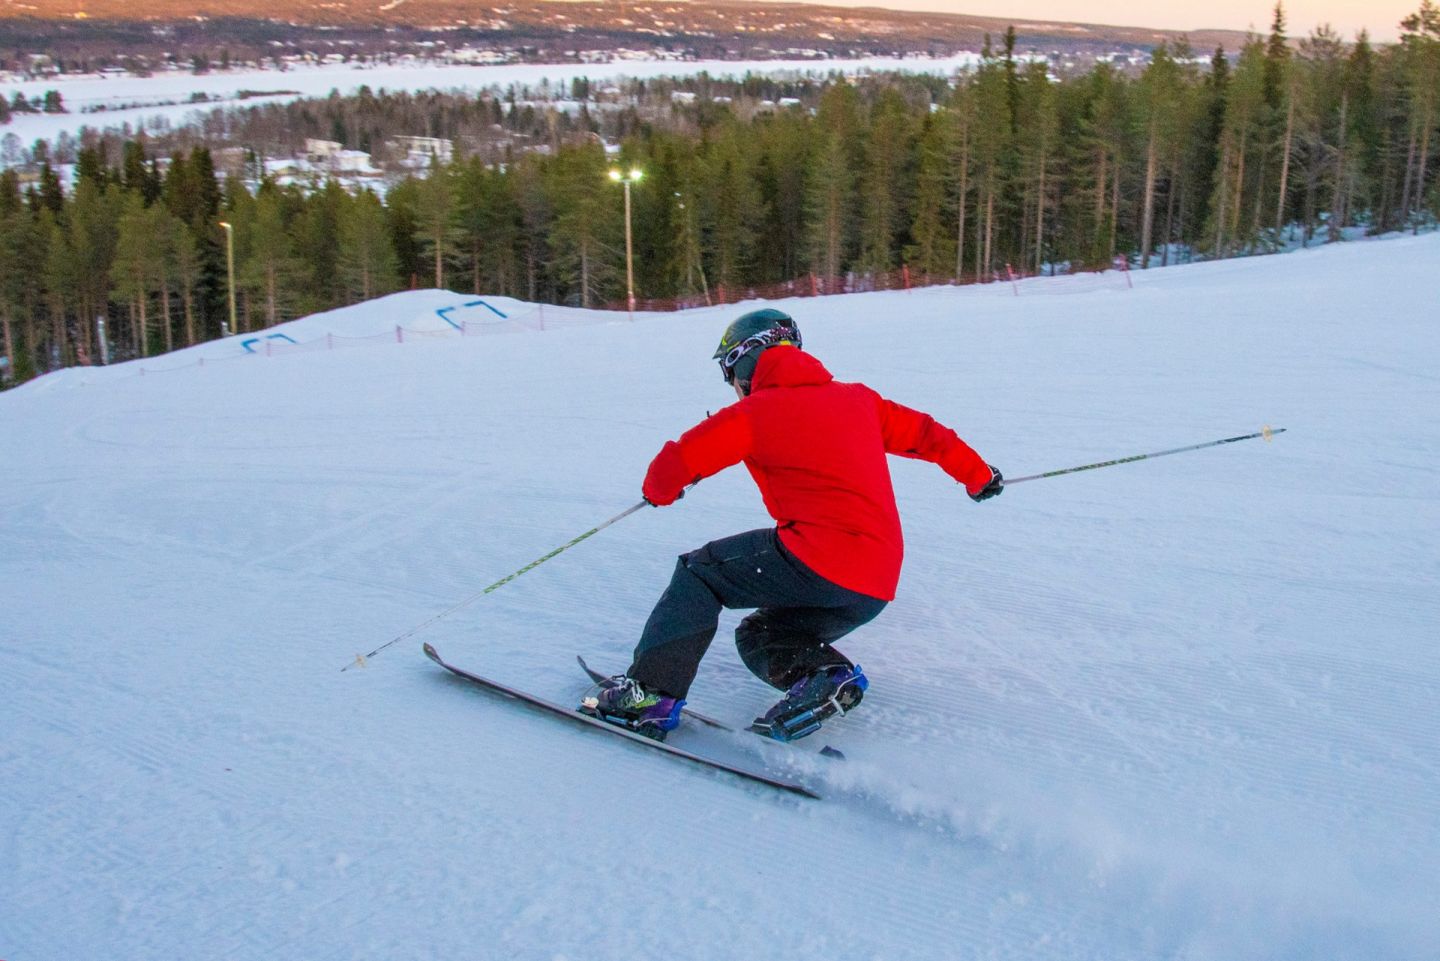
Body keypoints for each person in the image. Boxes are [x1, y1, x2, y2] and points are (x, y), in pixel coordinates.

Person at [581, 307, 1004, 742]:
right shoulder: (859, 400)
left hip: (818, 560)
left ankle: (650, 697)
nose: (732, 388)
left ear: (744, 362)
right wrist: (979, 475)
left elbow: (674, 465)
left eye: (730, 376)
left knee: (699, 572)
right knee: (762, 634)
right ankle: (824, 676)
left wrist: (659, 491)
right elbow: (928, 435)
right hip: (873, 583)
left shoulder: (754, 413)